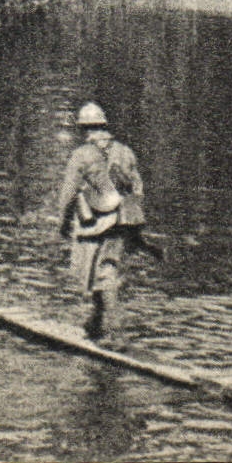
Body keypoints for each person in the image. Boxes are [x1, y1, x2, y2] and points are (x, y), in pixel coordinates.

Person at [56, 102, 145, 345]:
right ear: (104, 126)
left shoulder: (81, 155)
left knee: (96, 272)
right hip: (122, 220)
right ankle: (97, 323)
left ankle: (113, 330)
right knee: (107, 269)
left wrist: (63, 222)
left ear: (84, 129)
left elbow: (68, 192)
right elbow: (138, 188)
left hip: (93, 224)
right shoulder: (125, 152)